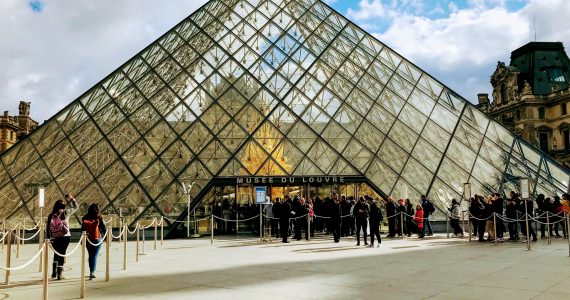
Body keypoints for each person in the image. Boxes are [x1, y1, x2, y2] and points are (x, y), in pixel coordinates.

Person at [46, 194, 78, 280]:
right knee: (62, 253)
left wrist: (48, 238)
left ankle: (53, 272)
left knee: (56, 253)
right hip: (65, 236)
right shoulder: (65, 212)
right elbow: (75, 207)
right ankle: (59, 273)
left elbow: (48, 227)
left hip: (54, 237)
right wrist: (71, 198)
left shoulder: (51, 215)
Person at [82, 203, 107, 279]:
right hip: (97, 238)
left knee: (91, 255)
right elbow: (104, 228)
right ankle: (92, 271)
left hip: (87, 238)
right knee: (95, 255)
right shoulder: (99, 217)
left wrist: (81, 239)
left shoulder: (85, 217)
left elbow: (82, 229)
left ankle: (91, 270)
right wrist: (106, 237)